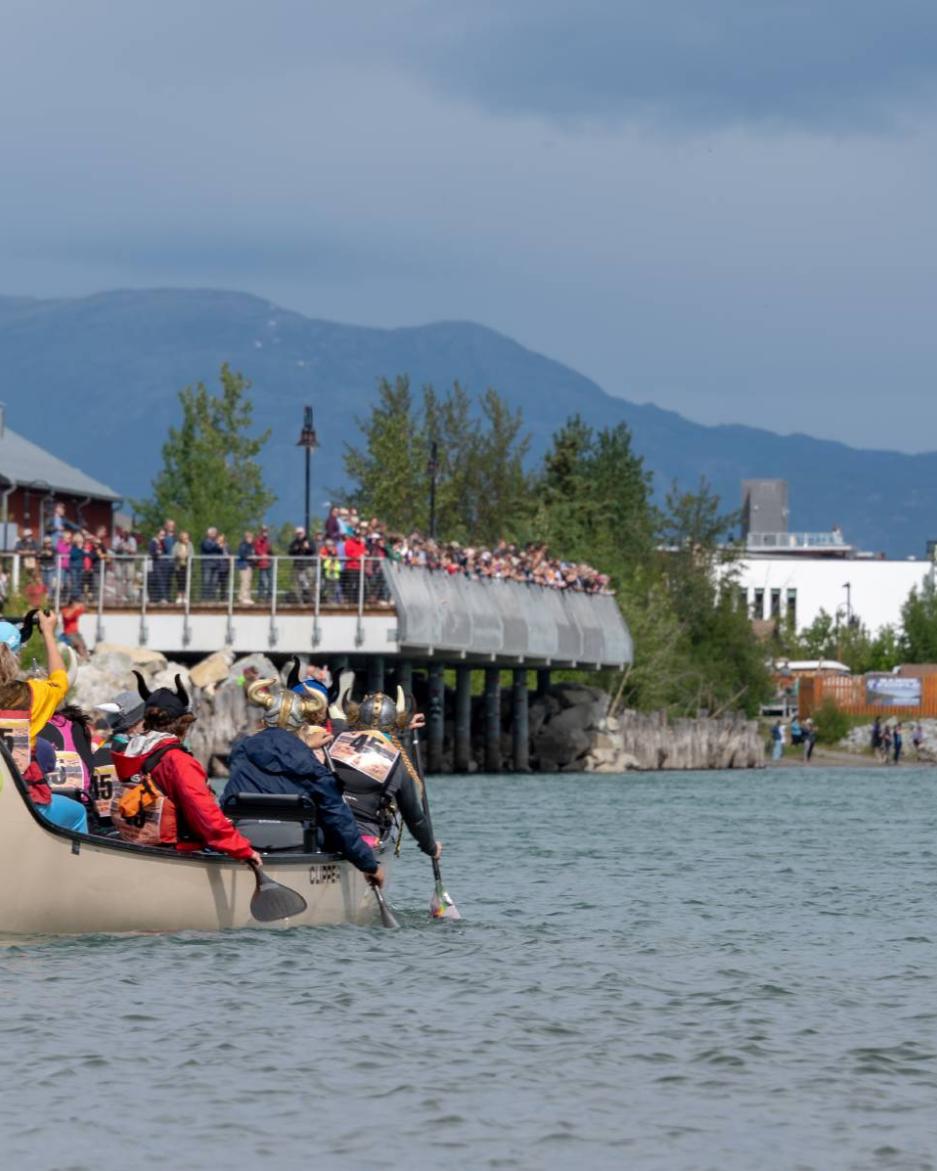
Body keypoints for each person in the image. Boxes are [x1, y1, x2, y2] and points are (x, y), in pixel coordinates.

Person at [220, 678, 384, 885]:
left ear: (265, 719)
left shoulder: (240, 751)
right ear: (302, 723)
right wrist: (369, 865)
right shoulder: (311, 765)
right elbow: (338, 818)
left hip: (244, 841)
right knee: (331, 825)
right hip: (297, 845)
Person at [111, 673, 262, 864]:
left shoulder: (129, 750)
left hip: (136, 843)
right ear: (183, 725)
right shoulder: (178, 760)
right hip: (176, 851)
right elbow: (204, 812)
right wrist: (242, 849)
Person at [329, 687, 442, 861]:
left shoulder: (336, 742)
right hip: (364, 836)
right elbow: (414, 818)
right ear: (395, 726)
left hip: (326, 826)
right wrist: (431, 847)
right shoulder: (396, 764)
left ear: (356, 720)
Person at [0, 609, 88, 833]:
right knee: (78, 813)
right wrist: (48, 632)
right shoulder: (31, 694)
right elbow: (60, 682)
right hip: (19, 799)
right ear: (14, 657)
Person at [200, 527, 223, 601]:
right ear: (208, 534)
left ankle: (212, 598)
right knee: (206, 581)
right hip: (207, 564)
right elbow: (208, 548)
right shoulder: (205, 541)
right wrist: (217, 544)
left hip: (216, 565)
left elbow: (220, 552)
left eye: (215, 533)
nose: (214, 534)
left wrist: (220, 547)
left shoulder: (216, 542)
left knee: (214, 582)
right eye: (213, 533)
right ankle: (205, 598)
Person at [236, 531, 255, 606]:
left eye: (251, 537)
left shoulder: (250, 545)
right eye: (249, 537)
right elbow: (242, 554)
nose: (251, 539)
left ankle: (247, 597)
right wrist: (250, 556)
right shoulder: (243, 545)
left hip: (249, 565)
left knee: (248, 582)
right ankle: (242, 597)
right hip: (244, 565)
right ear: (246, 538)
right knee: (244, 581)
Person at [173, 530, 192, 603]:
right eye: (184, 538)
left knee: (186, 581)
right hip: (179, 566)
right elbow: (173, 553)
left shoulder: (190, 544)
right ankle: (179, 597)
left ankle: (185, 597)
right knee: (179, 581)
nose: (186, 539)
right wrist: (179, 555)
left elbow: (192, 553)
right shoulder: (177, 544)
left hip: (187, 566)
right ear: (181, 538)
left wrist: (186, 555)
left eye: (187, 538)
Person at [254, 525, 272, 601]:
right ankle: (260, 596)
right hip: (262, 563)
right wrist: (262, 555)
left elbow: (270, 550)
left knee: (271, 580)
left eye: (266, 531)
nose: (265, 532)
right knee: (262, 580)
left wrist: (270, 555)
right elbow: (257, 549)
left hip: (269, 562)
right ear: (261, 531)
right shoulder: (258, 540)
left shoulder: (268, 540)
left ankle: (269, 597)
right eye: (263, 531)